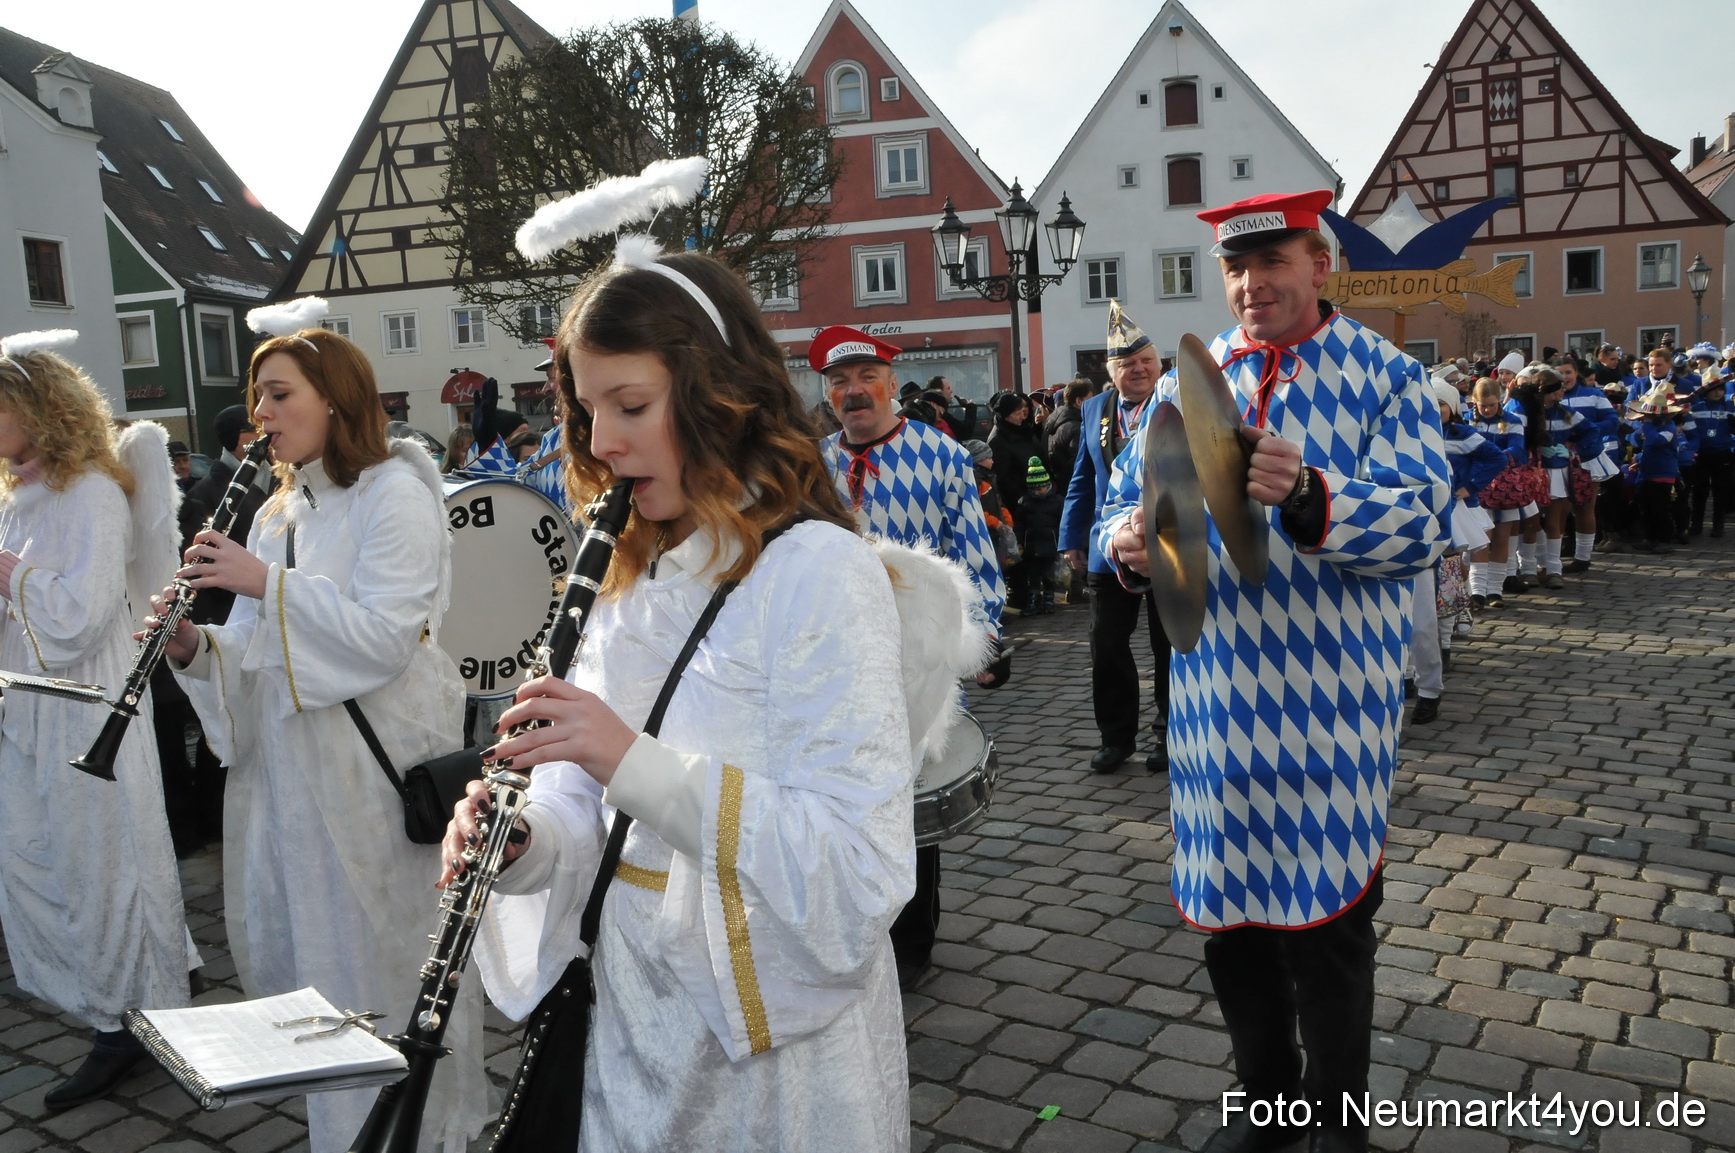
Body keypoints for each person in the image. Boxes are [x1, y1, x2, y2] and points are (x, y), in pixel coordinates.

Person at [462, 247, 965, 1153]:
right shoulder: (623, 568)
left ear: (716, 392)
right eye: (586, 409)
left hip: (776, 1054)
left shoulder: (818, 572)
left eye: (632, 405)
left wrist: (628, 759)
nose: (602, 440)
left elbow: (860, 866)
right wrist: (525, 844)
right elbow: (579, 801)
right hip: (632, 1014)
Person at [1100, 191, 1448, 1153]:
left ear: (1319, 265)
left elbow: (1420, 523)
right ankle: (1267, 1101)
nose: (1252, 285)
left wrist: (1311, 492)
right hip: (1212, 709)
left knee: (1329, 931)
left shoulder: (1383, 376)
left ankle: (1337, 1122)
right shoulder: (1184, 387)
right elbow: (1126, 513)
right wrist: (1126, 540)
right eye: (1236, 269)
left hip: (1331, 708)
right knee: (1232, 927)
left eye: (1273, 263)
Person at [160, 316, 486, 1152]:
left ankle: (423, 1132)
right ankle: (345, 1132)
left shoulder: (396, 492)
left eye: (279, 393)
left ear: (335, 399)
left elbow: (384, 636)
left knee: (385, 963)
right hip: (295, 787)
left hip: (370, 782)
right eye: (256, 396)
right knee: (324, 979)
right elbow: (266, 659)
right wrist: (197, 648)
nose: (260, 411)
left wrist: (263, 583)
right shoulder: (277, 511)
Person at [0, 331, 192, 1109]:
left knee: (106, 865)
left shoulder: (95, 493)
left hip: (89, 708)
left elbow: (78, 618)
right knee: (36, 859)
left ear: (37, 409)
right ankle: (111, 996)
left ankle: (131, 1024)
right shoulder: (21, 498)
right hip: (31, 710)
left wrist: (9, 574)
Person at [815, 323, 1006, 990]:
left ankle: (910, 937)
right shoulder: (811, 465)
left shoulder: (942, 456)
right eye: (838, 381)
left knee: (910, 795)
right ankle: (848, 919)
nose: (852, 390)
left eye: (864, 376)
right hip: (830, 657)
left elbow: (973, 557)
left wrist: (984, 639)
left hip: (914, 657)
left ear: (892, 384)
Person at [1059, 301, 1170, 774]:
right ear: (1111, 372)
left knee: (1171, 646)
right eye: (1128, 363)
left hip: (1172, 546)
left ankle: (1170, 733)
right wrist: (1072, 537)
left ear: (1158, 362)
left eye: (1146, 360)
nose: (1139, 369)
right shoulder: (1094, 411)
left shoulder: (1177, 399)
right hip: (1109, 549)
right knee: (1106, 645)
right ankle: (1116, 736)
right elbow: (1083, 479)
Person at [1551, 353, 1619, 571]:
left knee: (1584, 507)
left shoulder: (1593, 394)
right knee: (1559, 509)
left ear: (1576, 373)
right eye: (1559, 374)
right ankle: (1552, 559)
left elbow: (1612, 421)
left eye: (1568, 372)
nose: (1564, 377)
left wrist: (1585, 433)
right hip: (1556, 458)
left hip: (1587, 456)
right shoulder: (1549, 397)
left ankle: (1582, 557)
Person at [1017, 455, 1063, 615]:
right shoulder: (1025, 502)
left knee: (1049, 574)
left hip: (1050, 543)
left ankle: (1049, 598)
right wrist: (1019, 541)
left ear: (1047, 485)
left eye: (1040, 489)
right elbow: (1020, 524)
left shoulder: (1057, 502)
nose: (1037, 492)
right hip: (1031, 544)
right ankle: (1034, 599)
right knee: (1033, 574)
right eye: (1034, 489)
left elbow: (1062, 523)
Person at [1689, 373, 1732, 536]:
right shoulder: (1697, 408)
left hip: (1723, 454)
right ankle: (1697, 523)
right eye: (1714, 390)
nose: (1717, 393)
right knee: (1700, 490)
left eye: (1720, 389)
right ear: (1706, 391)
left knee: (1720, 491)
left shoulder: (1730, 407)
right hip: (1701, 454)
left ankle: (1718, 524)